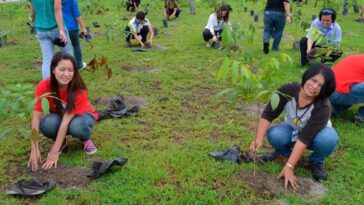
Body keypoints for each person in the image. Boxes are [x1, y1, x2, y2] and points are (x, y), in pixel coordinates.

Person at [249, 64, 338, 188]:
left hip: (316, 135)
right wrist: (258, 139)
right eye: (314, 80)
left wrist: (289, 167)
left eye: (320, 86)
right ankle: (284, 154)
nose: (314, 87)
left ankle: (316, 161)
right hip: (293, 129)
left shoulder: (323, 107)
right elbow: (268, 114)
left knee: (328, 139)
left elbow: (305, 138)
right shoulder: (287, 91)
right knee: (275, 134)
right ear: (307, 77)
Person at [28, 52, 98, 172]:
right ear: (54, 69)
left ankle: (85, 138)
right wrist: (34, 148)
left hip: (83, 116)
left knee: (77, 127)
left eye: (70, 70)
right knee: (47, 124)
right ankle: (62, 142)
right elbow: (36, 118)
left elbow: (66, 121)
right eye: (62, 69)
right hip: (60, 116)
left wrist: (54, 152)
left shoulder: (78, 88)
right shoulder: (44, 86)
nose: (66, 74)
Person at [28, 0, 73, 79]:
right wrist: (61, 30)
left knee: (47, 61)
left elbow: (32, 9)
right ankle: (71, 81)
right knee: (68, 55)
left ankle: (48, 86)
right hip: (56, 28)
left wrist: (33, 18)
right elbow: (57, 9)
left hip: (41, 31)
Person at [329, 54, 364, 123]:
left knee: (352, 83)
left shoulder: (358, 57)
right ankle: (362, 116)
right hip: (340, 93)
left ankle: (333, 108)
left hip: (328, 90)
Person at [62, 0, 89, 70]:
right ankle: (79, 65)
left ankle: (65, 66)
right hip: (72, 27)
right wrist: (83, 28)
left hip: (61, 28)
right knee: (76, 45)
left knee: (65, 48)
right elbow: (77, 14)